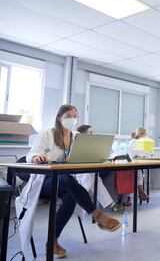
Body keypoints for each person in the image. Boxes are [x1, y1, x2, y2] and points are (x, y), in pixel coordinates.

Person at [15, 105, 121, 259]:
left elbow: (85, 156)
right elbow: (32, 154)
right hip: (44, 183)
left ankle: (52, 241)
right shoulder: (48, 134)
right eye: (69, 115)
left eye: (75, 116)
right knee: (66, 179)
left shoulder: (77, 136)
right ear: (59, 118)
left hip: (66, 183)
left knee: (70, 194)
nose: (73, 119)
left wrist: (96, 156)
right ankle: (98, 215)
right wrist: (37, 157)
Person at [76, 124, 125, 213]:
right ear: (83, 134)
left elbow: (109, 154)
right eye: (90, 132)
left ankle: (81, 202)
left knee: (94, 177)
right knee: (92, 177)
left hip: (94, 169)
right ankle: (110, 204)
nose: (92, 135)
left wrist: (107, 149)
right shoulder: (77, 144)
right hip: (78, 172)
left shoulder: (93, 144)